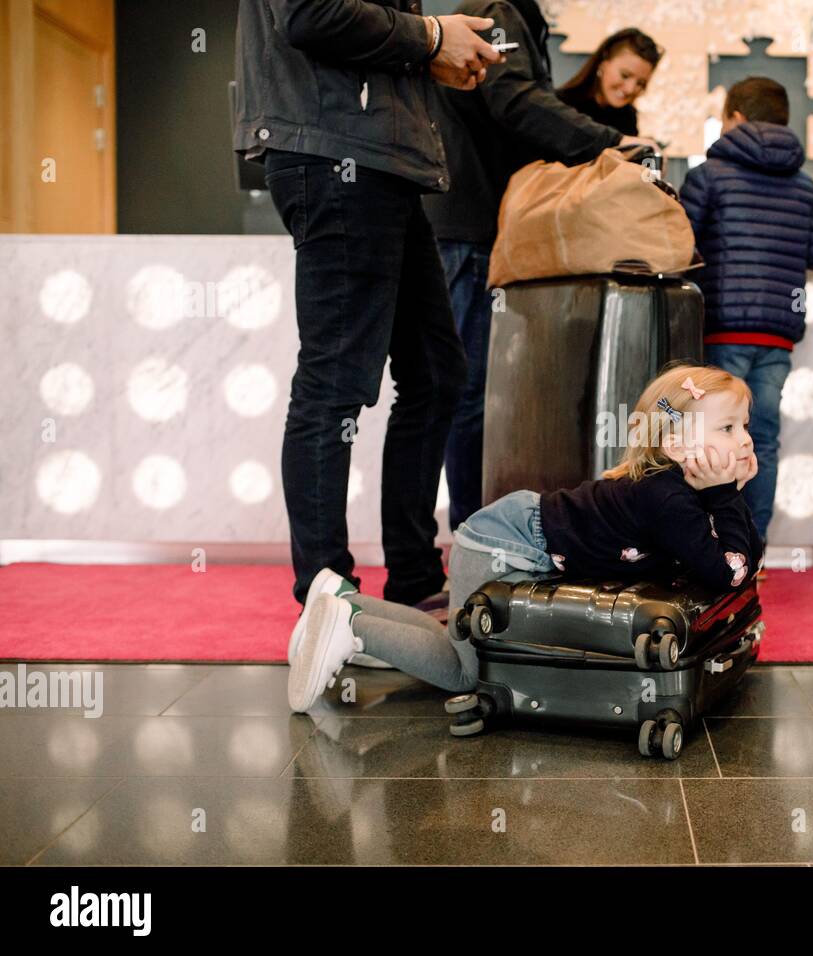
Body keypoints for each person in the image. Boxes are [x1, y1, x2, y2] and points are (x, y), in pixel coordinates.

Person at [234, 1, 503, 618]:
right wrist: (432, 36)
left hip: (374, 159)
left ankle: (411, 575)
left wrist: (424, 56)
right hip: (336, 156)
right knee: (334, 382)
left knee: (436, 375)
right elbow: (311, 13)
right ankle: (329, 600)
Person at [286, 364, 764, 712]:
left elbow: (745, 563)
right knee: (464, 670)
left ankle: (340, 598)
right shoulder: (670, 500)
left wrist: (726, 495)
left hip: (511, 529)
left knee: (456, 631)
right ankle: (351, 626)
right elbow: (727, 572)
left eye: (743, 425)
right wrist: (727, 495)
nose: (744, 439)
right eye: (727, 427)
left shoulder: (676, 487)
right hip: (505, 543)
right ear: (676, 444)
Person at [424, 0, 658, 536]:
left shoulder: (516, 18)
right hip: (469, 224)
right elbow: (515, 101)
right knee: (460, 393)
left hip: (482, 229)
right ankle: (466, 536)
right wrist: (610, 142)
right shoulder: (498, 11)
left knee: (465, 394)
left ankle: (467, 533)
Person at [679, 77, 813, 544]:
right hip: (777, 335)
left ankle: (710, 545)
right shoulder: (804, 185)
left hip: (722, 330)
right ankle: (752, 549)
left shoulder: (708, 175)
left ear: (736, 119)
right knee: (759, 440)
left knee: (710, 435)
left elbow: (679, 244)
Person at [555, 28, 662, 136]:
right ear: (603, 63)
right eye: (625, 75)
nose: (630, 89)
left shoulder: (628, 117)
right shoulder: (561, 106)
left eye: (640, 83)